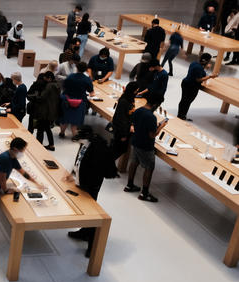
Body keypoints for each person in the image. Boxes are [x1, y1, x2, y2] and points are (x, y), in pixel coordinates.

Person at [66, 126, 118, 257]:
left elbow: (96, 168)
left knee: (91, 212)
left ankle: (92, 244)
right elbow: (80, 159)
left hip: (91, 184)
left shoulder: (97, 148)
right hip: (82, 181)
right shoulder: (86, 144)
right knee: (85, 210)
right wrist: (73, 172)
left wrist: (83, 182)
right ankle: (84, 231)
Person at [124, 94, 168, 202]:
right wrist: (162, 126)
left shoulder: (138, 111)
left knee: (134, 162)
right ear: (155, 104)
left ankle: (129, 185)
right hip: (146, 145)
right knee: (149, 167)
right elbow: (152, 135)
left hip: (135, 141)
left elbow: (137, 125)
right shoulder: (151, 117)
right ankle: (144, 193)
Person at [177, 53, 218, 121]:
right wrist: (210, 76)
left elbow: (199, 72)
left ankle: (181, 115)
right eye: (209, 61)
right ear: (206, 61)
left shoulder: (194, 63)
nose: (209, 62)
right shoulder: (198, 68)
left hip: (186, 83)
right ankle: (181, 116)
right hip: (191, 86)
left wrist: (205, 67)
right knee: (187, 101)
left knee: (184, 100)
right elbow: (198, 79)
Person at [60, 62, 95, 139]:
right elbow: (91, 92)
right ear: (86, 70)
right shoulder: (87, 79)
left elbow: (64, 86)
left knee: (65, 118)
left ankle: (62, 133)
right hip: (79, 102)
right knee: (75, 120)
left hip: (67, 100)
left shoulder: (70, 77)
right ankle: (74, 135)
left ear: (77, 67)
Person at [26, 71, 59, 150]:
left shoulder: (46, 86)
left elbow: (40, 98)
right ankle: (51, 145)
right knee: (46, 128)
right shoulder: (56, 86)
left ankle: (35, 145)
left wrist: (35, 97)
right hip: (50, 111)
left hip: (40, 111)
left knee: (34, 127)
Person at [111, 82, 139, 173]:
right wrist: (124, 134)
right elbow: (121, 118)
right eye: (136, 91)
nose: (137, 92)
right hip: (121, 129)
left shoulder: (129, 98)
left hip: (126, 127)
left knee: (120, 148)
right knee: (118, 148)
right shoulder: (124, 101)